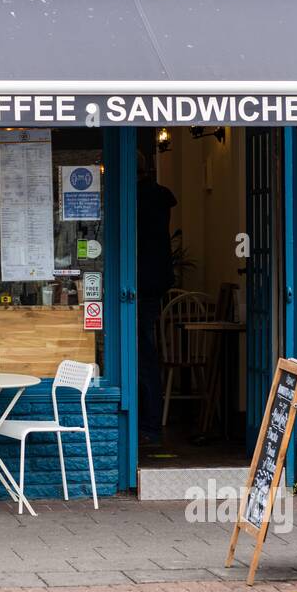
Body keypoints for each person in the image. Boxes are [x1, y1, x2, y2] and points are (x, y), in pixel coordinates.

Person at [136, 146, 178, 438]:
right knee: (146, 352)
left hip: (140, 284)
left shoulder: (134, 198)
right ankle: (149, 419)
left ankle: (147, 420)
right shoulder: (162, 197)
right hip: (154, 283)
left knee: (141, 353)